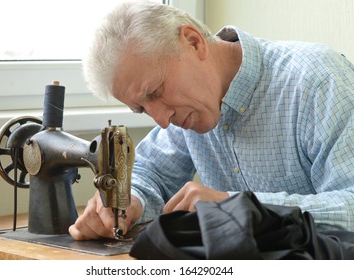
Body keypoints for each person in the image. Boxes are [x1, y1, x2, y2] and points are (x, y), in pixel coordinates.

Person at [69, 1, 354, 240]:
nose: (161, 120)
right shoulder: (186, 109)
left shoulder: (319, 81)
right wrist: (130, 201)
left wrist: (242, 208)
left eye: (155, 92)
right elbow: (150, 173)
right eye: (142, 110)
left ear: (193, 42)